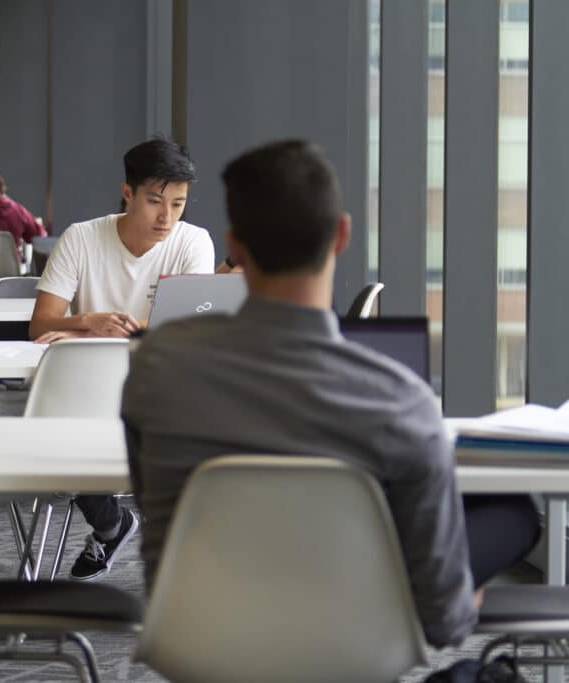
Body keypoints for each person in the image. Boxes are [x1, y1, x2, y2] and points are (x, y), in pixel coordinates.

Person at [121, 139, 540, 648]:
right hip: (359, 643)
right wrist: (457, 601)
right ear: (341, 235)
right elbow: (445, 627)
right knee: (512, 511)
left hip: (196, 633)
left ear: (236, 245)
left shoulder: (156, 368)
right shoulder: (401, 397)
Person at [30, 138, 216, 581]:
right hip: (86, 396)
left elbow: (184, 336)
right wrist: (89, 322)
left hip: (160, 393)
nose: (166, 217)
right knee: (62, 449)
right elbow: (40, 325)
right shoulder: (81, 238)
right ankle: (112, 525)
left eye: (178, 204)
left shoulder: (193, 243)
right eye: (155, 202)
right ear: (127, 193)